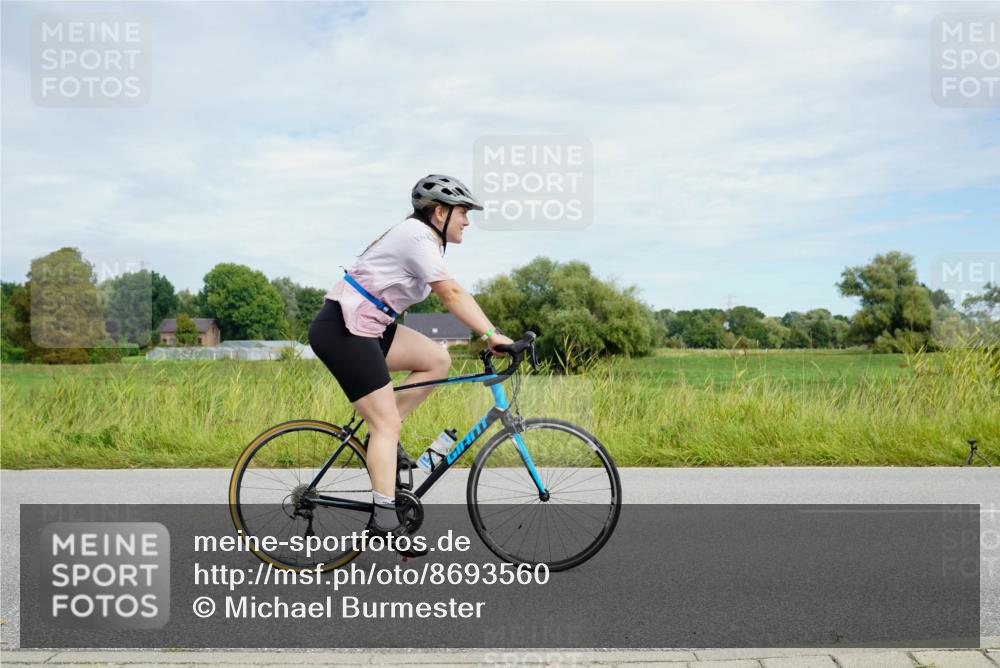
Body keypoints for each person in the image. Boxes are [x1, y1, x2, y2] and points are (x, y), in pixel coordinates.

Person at [308, 174, 513, 557]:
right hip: (342, 328)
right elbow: (450, 292)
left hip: (369, 327)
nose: (468, 221)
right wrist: (491, 334)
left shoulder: (426, 239)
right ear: (440, 211)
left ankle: (379, 439)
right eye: (463, 213)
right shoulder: (417, 237)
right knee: (386, 422)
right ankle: (384, 518)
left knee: (437, 358)